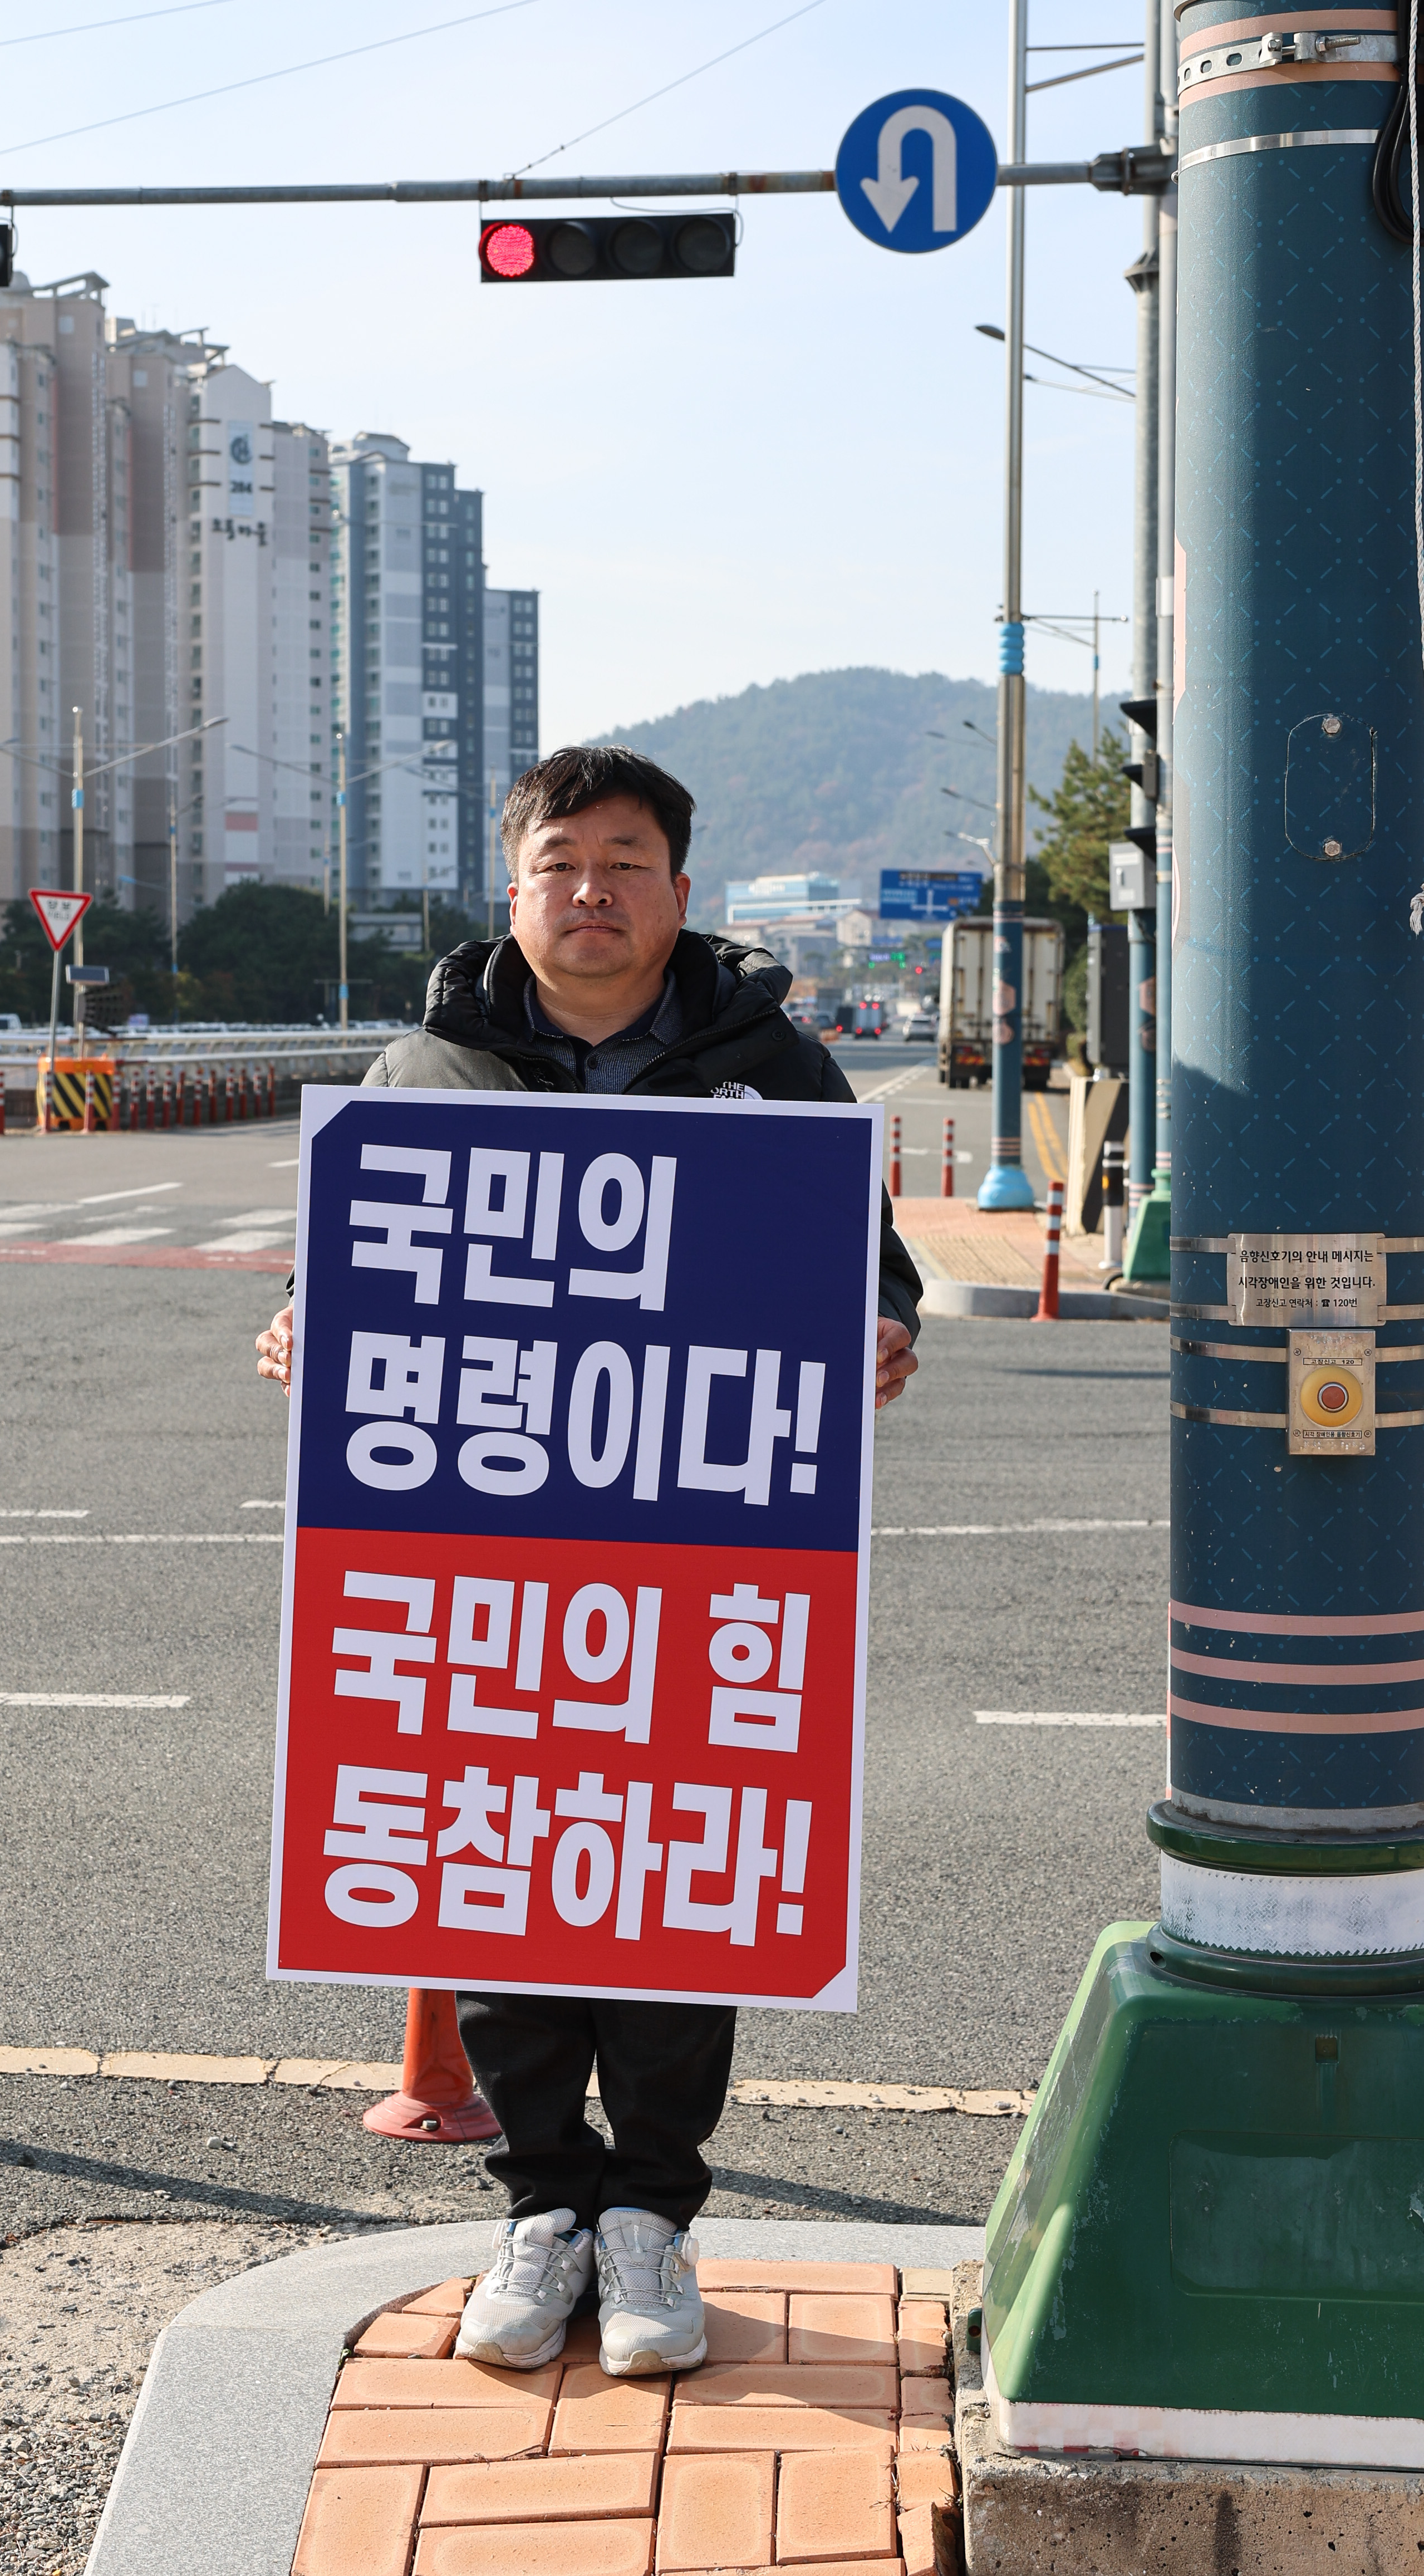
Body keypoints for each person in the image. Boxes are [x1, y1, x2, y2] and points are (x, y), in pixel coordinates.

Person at [257, 744, 921, 2378]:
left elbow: (874, 1270)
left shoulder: (772, 1066)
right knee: (507, 1871)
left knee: (679, 1881)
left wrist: (887, 1326)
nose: (594, 890)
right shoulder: (426, 1068)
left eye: (627, 859)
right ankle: (543, 2203)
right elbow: (341, 1281)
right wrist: (299, 1330)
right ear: (516, 887)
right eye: (563, 861)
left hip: (705, 1568)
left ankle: (656, 2224)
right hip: (485, 1563)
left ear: (680, 891)